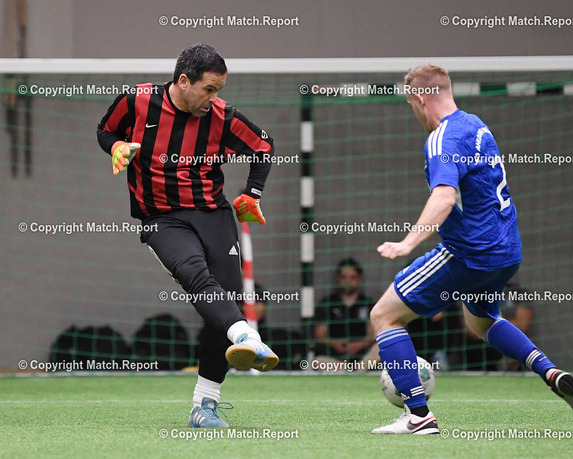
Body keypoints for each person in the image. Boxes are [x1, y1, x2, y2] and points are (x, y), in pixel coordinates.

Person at [369, 63, 573, 435]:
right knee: (482, 321)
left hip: (468, 254)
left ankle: (418, 416)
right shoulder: (476, 126)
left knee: (384, 316)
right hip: (506, 253)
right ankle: (551, 372)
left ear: (421, 97)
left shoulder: (442, 138)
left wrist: (407, 242)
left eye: (411, 105)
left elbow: (444, 198)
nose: (414, 114)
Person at [97, 44, 279, 429]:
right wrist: (116, 147)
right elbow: (105, 129)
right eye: (209, 89)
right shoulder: (136, 102)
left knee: (223, 302)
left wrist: (252, 194)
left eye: (219, 90)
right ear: (183, 81)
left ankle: (204, 406)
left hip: (213, 215)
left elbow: (263, 147)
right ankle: (247, 336)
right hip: (162, 218)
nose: (214, 98)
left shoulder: (222, 117)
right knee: (197, 275)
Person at [313, 258, 376, 363]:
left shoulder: (367, 304)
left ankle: (359, 369)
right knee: (319, 359)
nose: (348, 281)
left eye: (352, 277)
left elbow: (373, 333)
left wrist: (359, 345)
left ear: (359, 279)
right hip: (333, 355)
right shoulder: (327, 303)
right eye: (344, 277)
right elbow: (320, 334)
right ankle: (342, 369)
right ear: (338, 279)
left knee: (380, 348)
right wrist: (335, 344)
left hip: (362, 355)